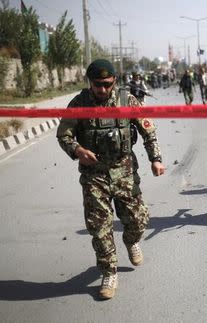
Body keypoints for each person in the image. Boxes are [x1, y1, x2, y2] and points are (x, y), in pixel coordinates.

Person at [56, 59, 165, 300]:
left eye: (106, 84)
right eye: (97, 85)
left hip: (124, 170)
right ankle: (109, 272)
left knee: (138, 220)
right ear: (90, 83)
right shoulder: (79, 103)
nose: (102, 90)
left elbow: (148, 129)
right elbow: (63, 134)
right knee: (99, 227)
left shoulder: (127, 100)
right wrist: (77, 150)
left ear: (114, 81)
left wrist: (155, 159)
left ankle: (131, 240)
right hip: (94, 174)